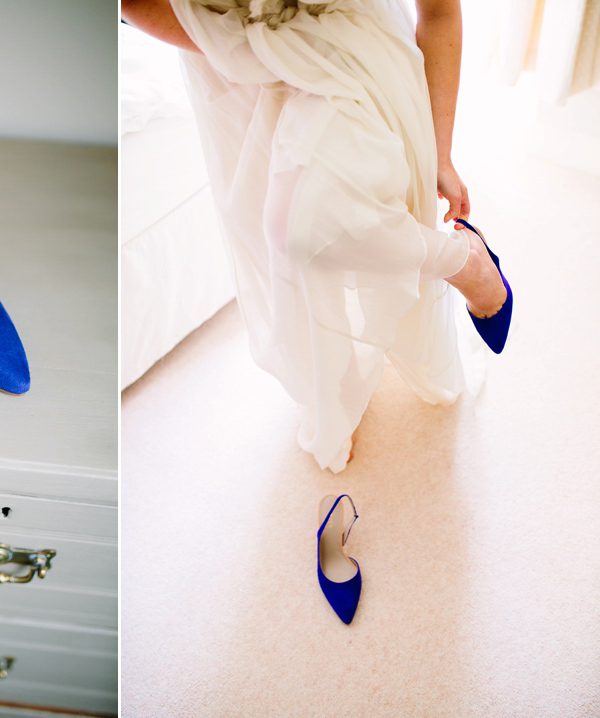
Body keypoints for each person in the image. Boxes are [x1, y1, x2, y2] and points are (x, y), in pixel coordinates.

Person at [122, 0, 510, 472]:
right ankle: (335, 382)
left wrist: (439, 153)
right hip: (230, 60)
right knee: (278, 243)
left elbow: (440, 12)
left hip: (353, 49)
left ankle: (466, 262)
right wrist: (254, 51)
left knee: (307, 229)